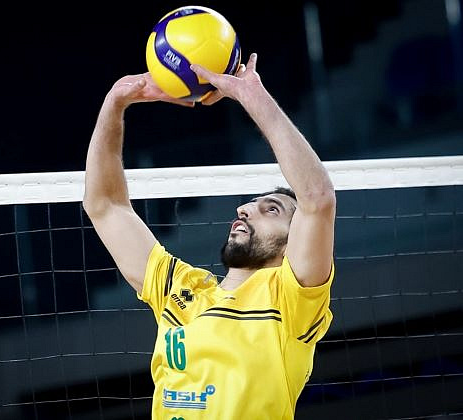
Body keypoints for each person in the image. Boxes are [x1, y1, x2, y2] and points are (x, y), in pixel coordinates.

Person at [83, 53, 336, 419]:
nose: (245, 209)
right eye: (251, 204)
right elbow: (104, 206)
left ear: (295, 241)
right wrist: (114, 103)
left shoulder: (290, 301)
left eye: (272, 210)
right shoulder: (179, 288)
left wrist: (251, 96)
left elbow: (317, 198)